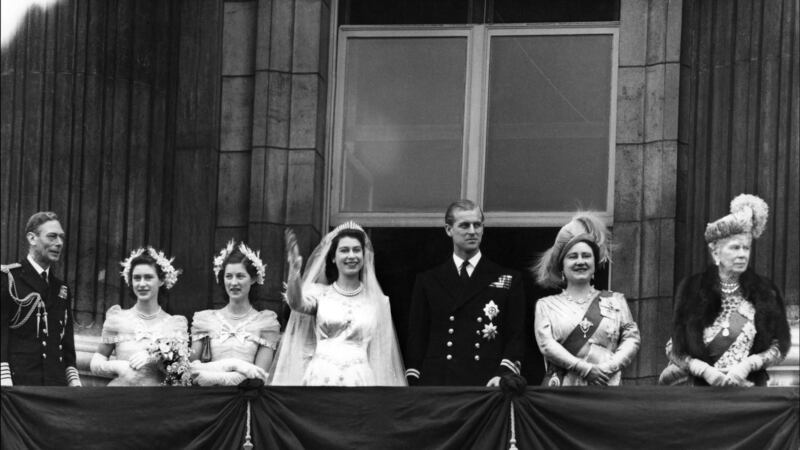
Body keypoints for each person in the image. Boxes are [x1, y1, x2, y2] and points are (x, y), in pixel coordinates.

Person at [659, 194, 790, 386]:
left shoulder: (766, 292)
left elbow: (779, 346)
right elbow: (674, 349)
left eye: (746, 248)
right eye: (735, 248)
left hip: (749, 392)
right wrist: (703, 370)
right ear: (715, 253)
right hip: (703, 393)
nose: (742, 254)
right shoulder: (692, 290)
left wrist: (749, 364)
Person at [405, 200, 526, 386]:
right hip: (438, 383)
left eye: (477, 225)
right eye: (464, 225)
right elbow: (416, 337)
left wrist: (503, 374)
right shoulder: (428, 280)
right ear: (448, 229)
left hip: (487, 383)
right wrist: (415, 378)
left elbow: (516, 335)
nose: (472, 231)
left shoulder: (507, 279)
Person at [270, 221, 406, 386]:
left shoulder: (378, 302)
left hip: (360, 380)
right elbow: (296, 303)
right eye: (344, 250)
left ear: (364, 256)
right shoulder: (320, 294)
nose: (351, 256)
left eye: (356, 250)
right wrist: (294, 270)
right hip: (321, 377)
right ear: (333, 257)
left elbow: (382, 354)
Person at [533, 212, 640, 386]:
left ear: (595, 263)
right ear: (562, 266)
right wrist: (585, 369)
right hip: (563, 391)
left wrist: (609, 368)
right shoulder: (546, 305)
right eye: (573, 257)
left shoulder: (616, 301)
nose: (580, 261)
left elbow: (632, 339)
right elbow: (546, 345)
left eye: (586, 255)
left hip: (606, 387)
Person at [1, 211, 81, 386]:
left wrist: (73, 379)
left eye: (61, 237)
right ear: (32, 238)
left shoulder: (62, 288)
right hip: (18, 384)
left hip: (55, 386)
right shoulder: (8, 279)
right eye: (52, 237)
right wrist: (4, 378)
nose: (59, 243)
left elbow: (66, 342)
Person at [90, 247, 188, 386]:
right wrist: (117, 366)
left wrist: (157, 356)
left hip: (160, 402)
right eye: (137, 278)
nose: (142, 284)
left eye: (148, 277)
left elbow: (182, 377)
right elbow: (97, 360)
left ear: (161, 281)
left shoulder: (175, 324)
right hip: (122, 398)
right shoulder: (117, 319)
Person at [189, 240, 280, 386]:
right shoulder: (205, 320)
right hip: (209, 398)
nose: (233, 282)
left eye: (240, 276)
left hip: (246, 399)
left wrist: (215, 377)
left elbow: (260, 376)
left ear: (253, 279)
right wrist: (234, 364)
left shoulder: (265, 322)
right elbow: (191, 368)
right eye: (229, 276)